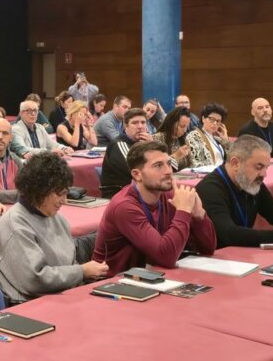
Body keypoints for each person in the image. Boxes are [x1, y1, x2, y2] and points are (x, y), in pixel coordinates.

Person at [0, 153, 107, 304]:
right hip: (32, 305)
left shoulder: (56, 218)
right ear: (40, 190)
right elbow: (35, 280)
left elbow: (69, 262)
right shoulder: (15, 225)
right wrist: (81, 272)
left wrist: (82, 273)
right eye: (60, 194)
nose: (64, 201)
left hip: (64, 295)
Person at [92, 140, 216, 274]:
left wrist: (199, 216)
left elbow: (208, 249)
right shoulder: (124, 206)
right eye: (158, 166)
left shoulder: (170, 196)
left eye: (168, 163)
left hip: (150, 276)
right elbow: (166, 257)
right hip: (114, 283)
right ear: (137, 174)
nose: (169, 171)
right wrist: (183, 211)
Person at [196, 136, 273, 247]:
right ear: (235, 163)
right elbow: (228, 234)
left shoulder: (251, 181)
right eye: (259, 167)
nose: (264, 174)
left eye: (266, 167)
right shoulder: (210, 189)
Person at [100, 109, 153, 198]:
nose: (140, 126)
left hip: (139, 191)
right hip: (120, 195)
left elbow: (170, 166)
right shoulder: (119, 144)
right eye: (135, 123)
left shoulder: (145, 143)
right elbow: (135, 170)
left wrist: (151, 145)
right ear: (125, 126)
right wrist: (149, 148)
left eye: (143, 122)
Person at [184, 103, 230, 168]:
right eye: (212, 119)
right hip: (207, 175)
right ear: (203, 119)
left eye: (218, 121)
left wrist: (226, 140)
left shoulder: (218, 139)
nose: (215, 123)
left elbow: (232, 159)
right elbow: (196, 163)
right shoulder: (194, 136)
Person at [154, 106, 195, 170]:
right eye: (182, 126)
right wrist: (175, 156)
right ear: (171, 123)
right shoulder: (157, 139)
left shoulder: (184, 139)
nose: (184, 130)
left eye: (186, 127)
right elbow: (158, 167)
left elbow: (191, 165)